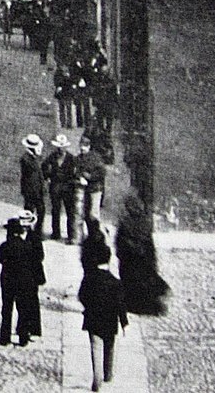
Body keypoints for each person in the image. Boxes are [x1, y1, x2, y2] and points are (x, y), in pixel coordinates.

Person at [78, 240, 128, 391]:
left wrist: (87, 307)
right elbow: (121, 305)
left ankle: (97, 378)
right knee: (109, 347)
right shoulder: (116, 282)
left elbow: (82, 296)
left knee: (96, 348)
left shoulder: (89, 279)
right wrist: (124, 323)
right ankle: (108, 373)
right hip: (110, 320)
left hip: (93, 319)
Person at [0, 217, 34, 347]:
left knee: (6, 309)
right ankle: (23, 337)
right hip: (23, 280)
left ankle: (5, 337)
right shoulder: (26, 245)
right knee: (22, 309)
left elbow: (0, 257)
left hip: (8, 279)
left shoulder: (5, 245)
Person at [42, 133, 78, 243]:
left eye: (63, 146)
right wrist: (47, 177)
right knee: (55, 210)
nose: (61, 149)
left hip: (68, 187)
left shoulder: (71, 158)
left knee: (70, 211)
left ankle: (70, 235)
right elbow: (44, 166)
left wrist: (73, 181)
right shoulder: (52, 156)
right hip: (55, 186)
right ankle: (55, 233)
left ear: (66, 147)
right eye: (59, 147)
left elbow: (76, 172)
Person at [17, 210, 46, 342]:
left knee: (32, 301)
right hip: (21, 274)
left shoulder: (34, 237)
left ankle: (34, 329)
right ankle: (22, 327)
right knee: (22, 302)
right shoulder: (15, 235)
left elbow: (40, 256)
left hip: (32, 274)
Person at [74, 135, 106, 234]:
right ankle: (87, 235)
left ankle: (96, 235)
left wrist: (89, 177)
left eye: (85, 146)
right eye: (81, 146)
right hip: (84, 189)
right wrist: (80, 177)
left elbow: (102, 173)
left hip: (95, 189)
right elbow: (76, 171)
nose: (82, 148)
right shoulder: (78, 158)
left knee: (94, 214)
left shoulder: (96, 158)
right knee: (84, 213)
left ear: (89, 147)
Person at [19, 134, 46, 231]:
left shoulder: (34, 157)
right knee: (29, 210)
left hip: (37, 188)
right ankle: (28, 229)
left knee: (41, 210)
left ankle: (37, 230)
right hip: (30, 189)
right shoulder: (26, 158)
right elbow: (33, 168)